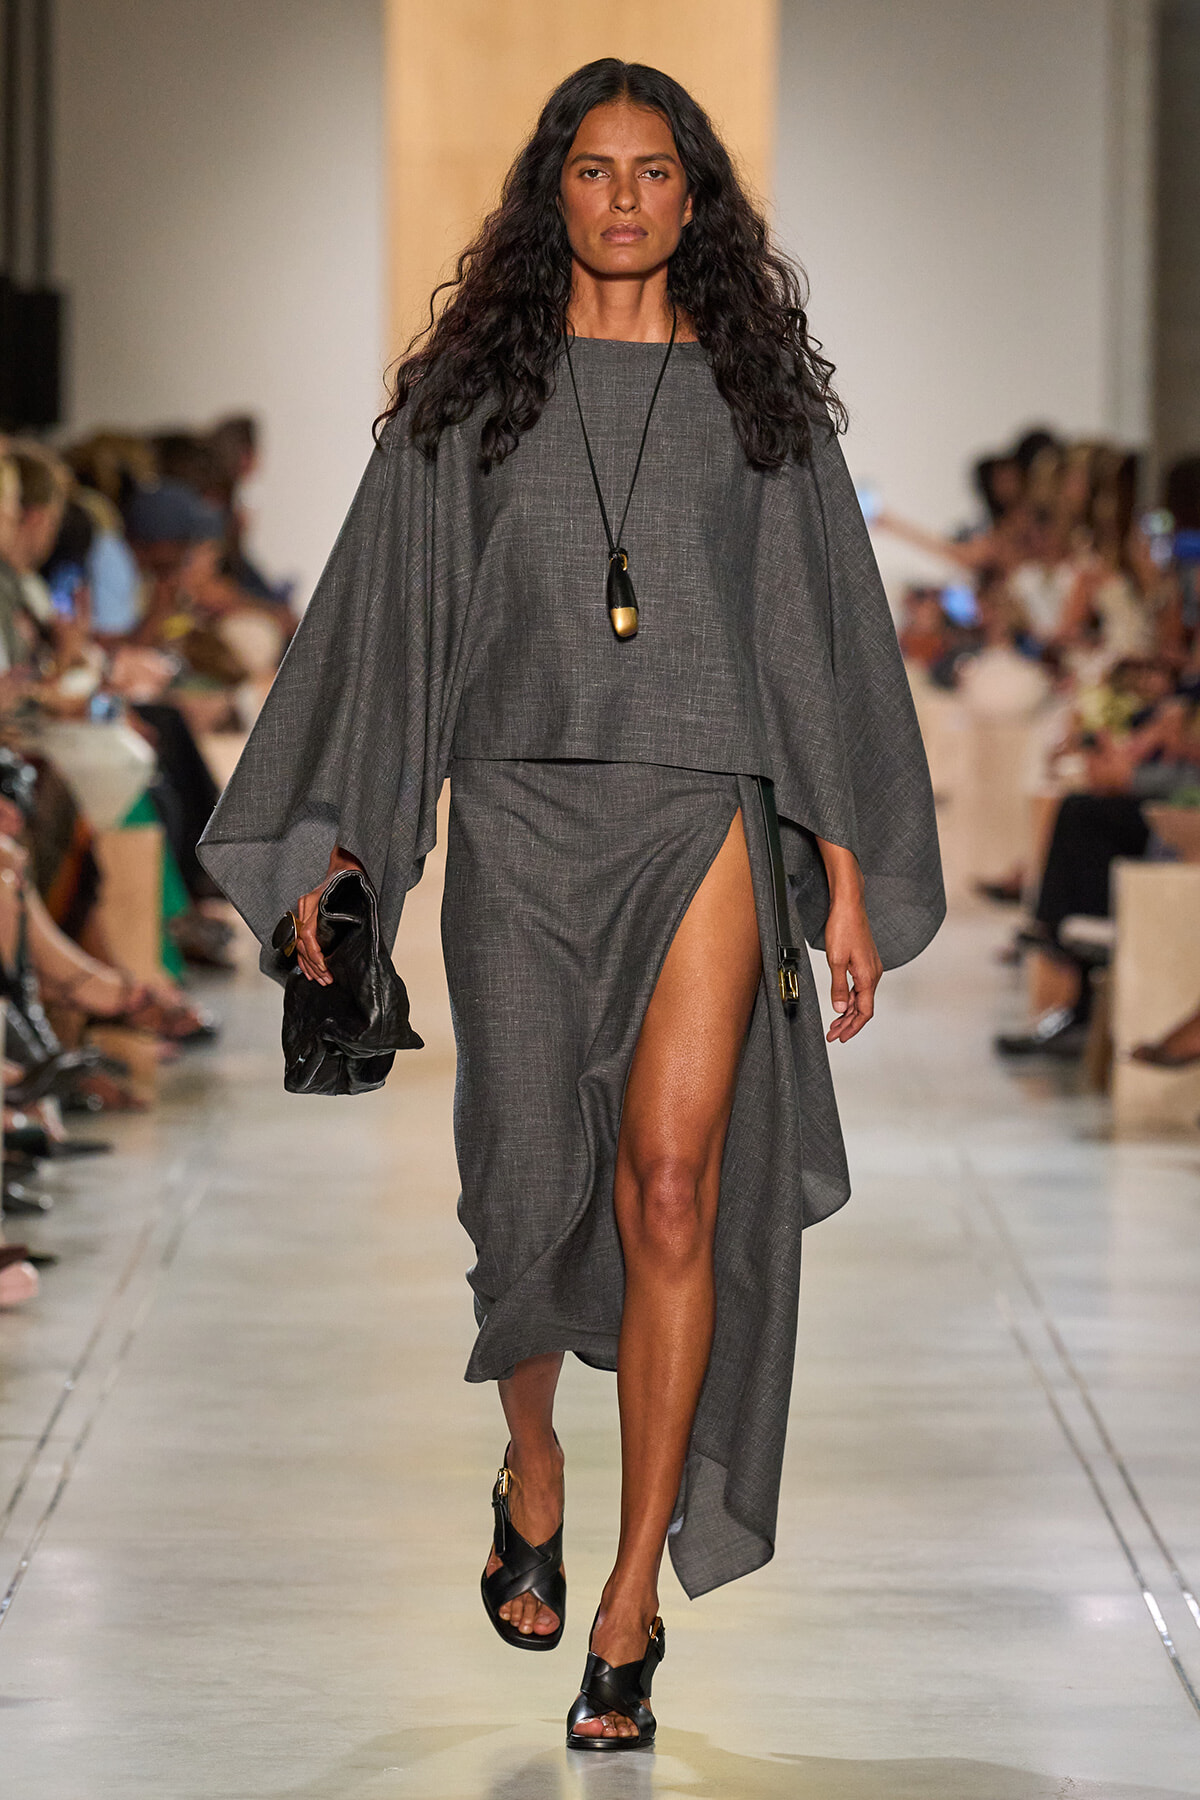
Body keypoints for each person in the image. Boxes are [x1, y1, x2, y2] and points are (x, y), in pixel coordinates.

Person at [200, 60, 943, 1749]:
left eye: (654, 170)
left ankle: (627, 1604)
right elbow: (378, 636)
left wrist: (842, 877)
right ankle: (530, 1456)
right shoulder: (473, 401)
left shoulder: (765, 410)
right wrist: (343, 845)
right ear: (557, 192)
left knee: (673, 1186)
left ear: (698, 198)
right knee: (524, 1187)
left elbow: (826, 642)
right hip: (520, 822)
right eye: (594, 170)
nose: (623, 198)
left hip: (707, 824)